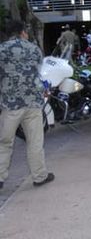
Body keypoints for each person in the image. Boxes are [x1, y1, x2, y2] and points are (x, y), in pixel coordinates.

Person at [0, 20, 54, 190]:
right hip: (33, 103)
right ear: (22, 32)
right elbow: (38, 71)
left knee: (5, 142)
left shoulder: (1, 50)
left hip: (10, 105)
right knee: (35, 141)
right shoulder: (33, 48)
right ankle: (39, 176)